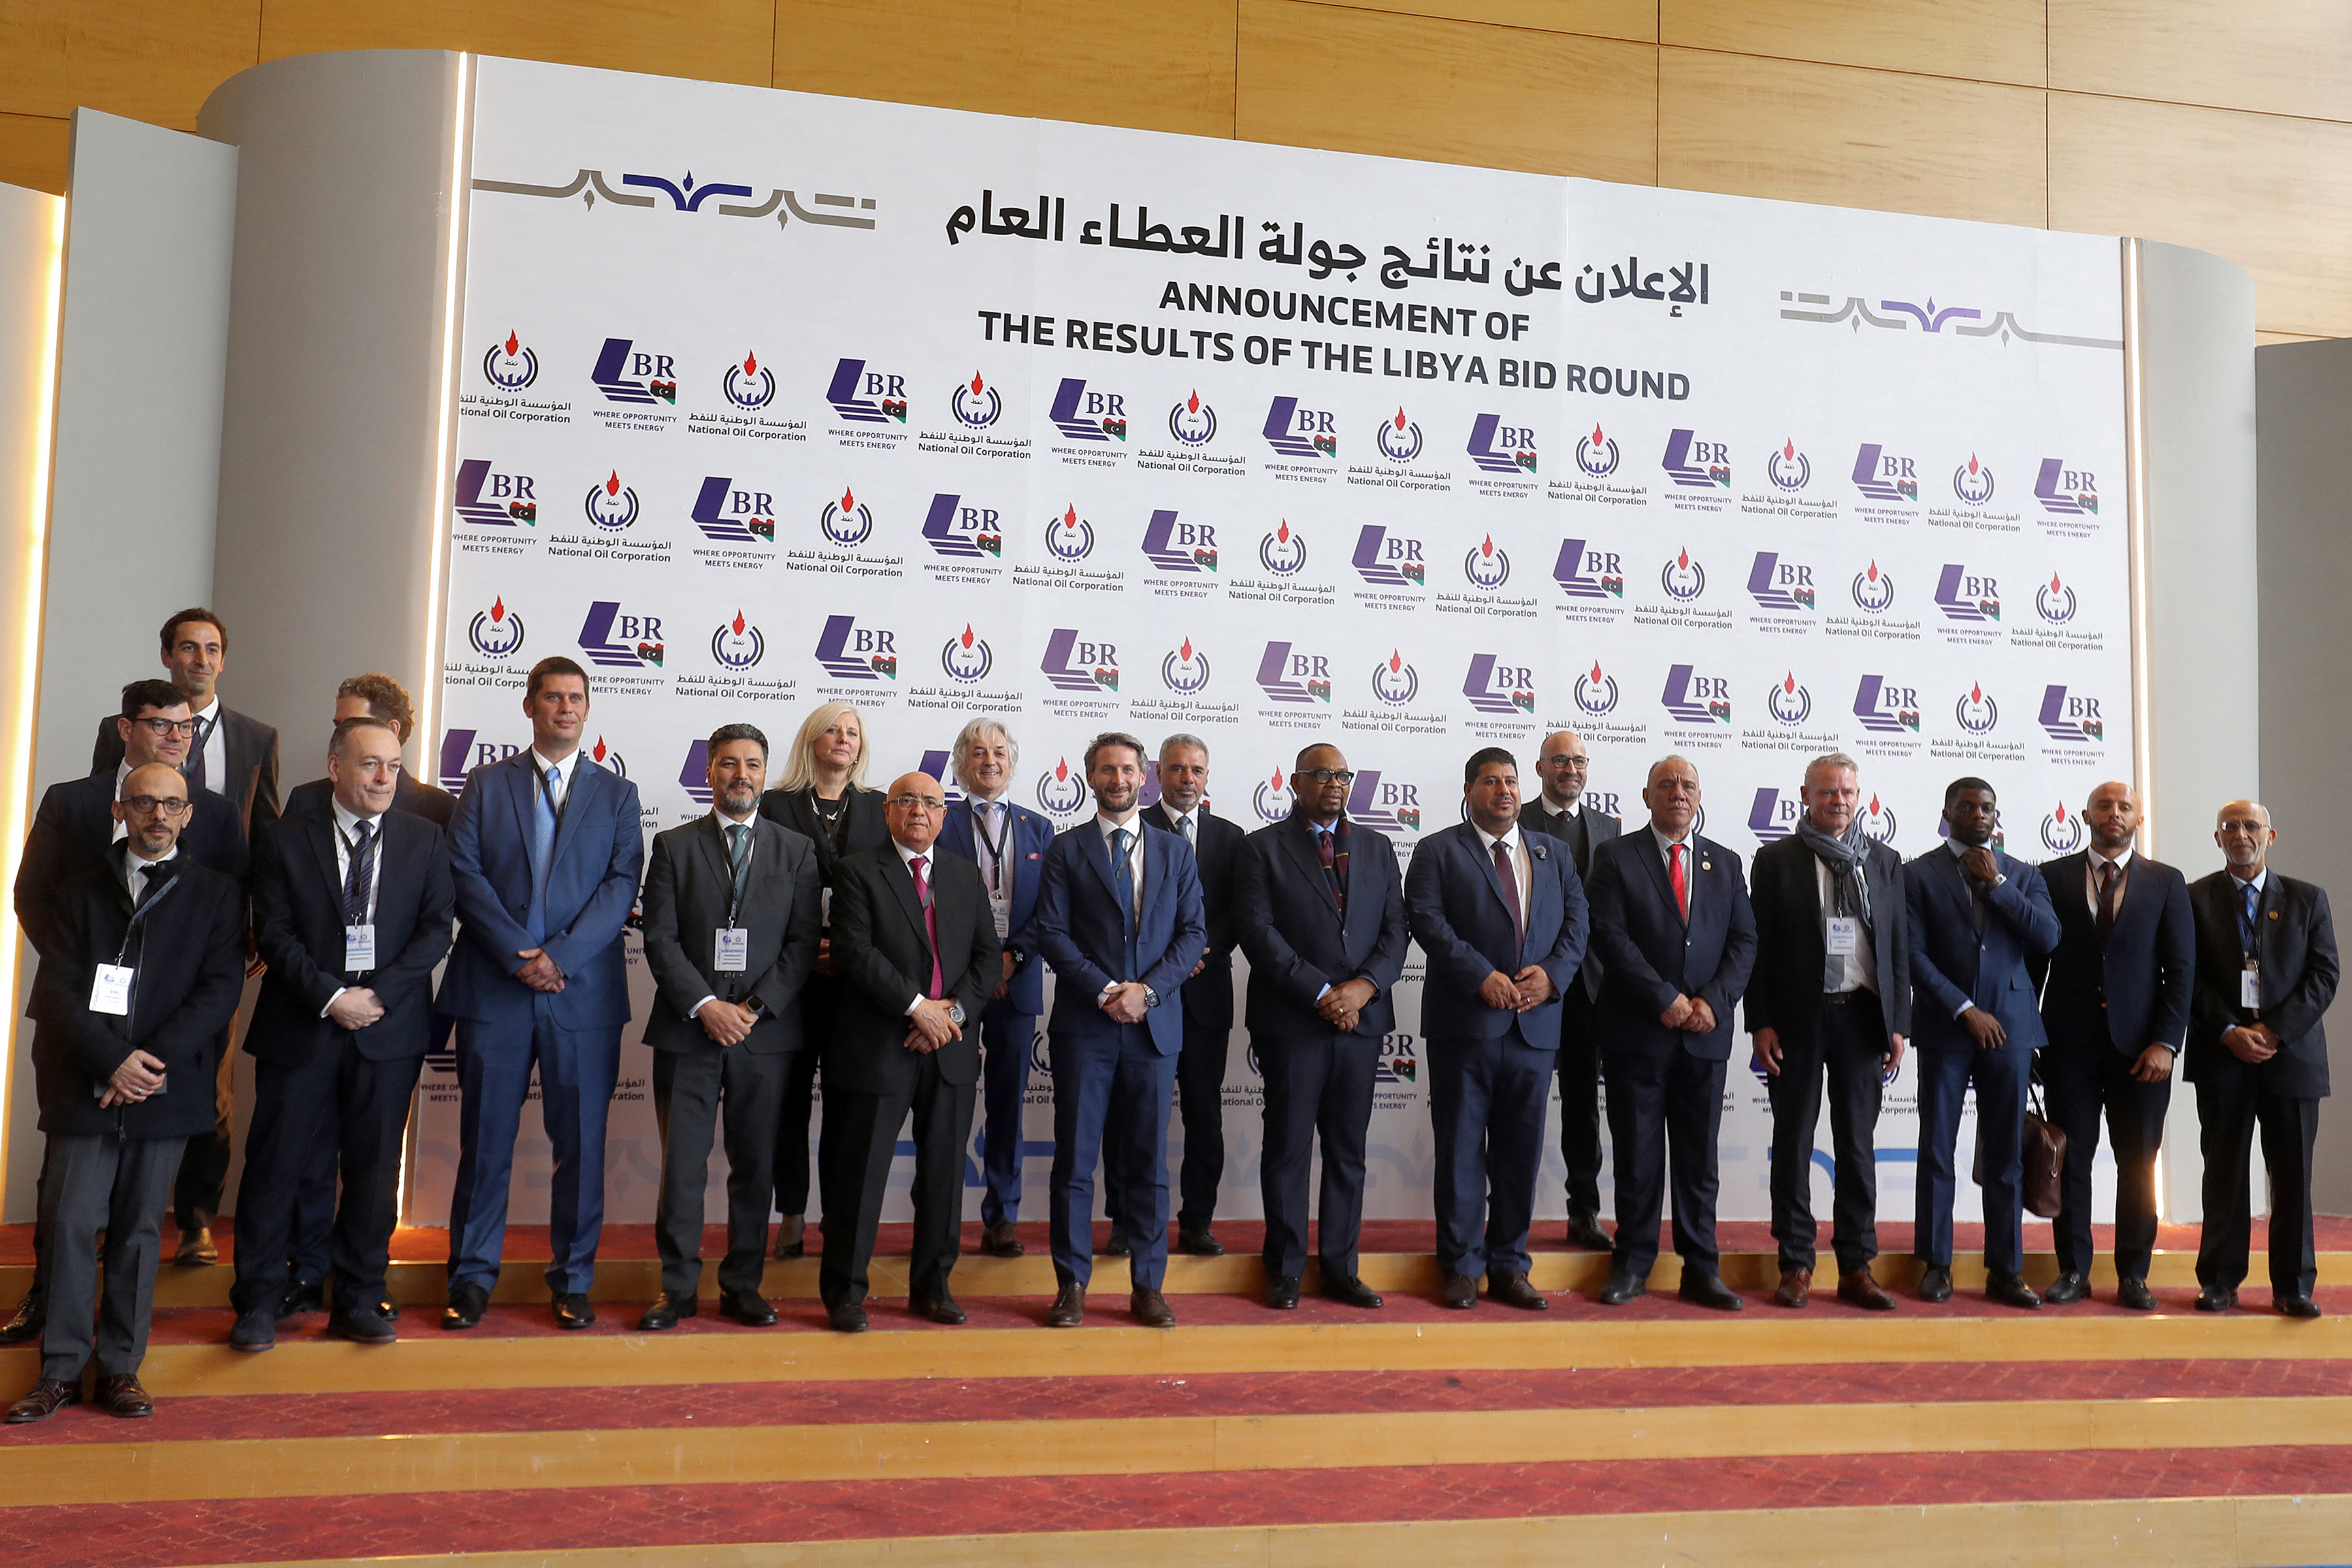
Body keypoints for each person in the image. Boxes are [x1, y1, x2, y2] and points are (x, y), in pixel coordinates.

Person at [1, 680, 248, 1345]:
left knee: (139, 1218)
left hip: (168, 1048)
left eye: (185, 727)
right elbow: (36, 902)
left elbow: (220, 952)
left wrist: (146, 1055)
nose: (175, 734)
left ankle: (118, 1360)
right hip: (80, 1038)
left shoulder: (218, 819)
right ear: (125, 730)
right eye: (160, 724)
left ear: (185, 814)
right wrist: (104, 1041)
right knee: (66, 1201)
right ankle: (50, 1322)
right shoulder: (73, 803)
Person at [225, 717, 455, 1351]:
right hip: (301, 1026)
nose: (384, 778)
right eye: (369, 765)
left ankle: (356, 1298)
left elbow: (436, 930)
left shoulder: (425, 839)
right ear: (334, 768)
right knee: (276, 1168)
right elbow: (273, 931)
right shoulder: (284, 839)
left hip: (389, 1027)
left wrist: (377, 996)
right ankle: (260, 1303)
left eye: (393, 766)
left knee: (375, 1172)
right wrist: (331, 996)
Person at [438, 656, 644, 1331]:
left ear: (588, 709)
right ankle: (470, 1279)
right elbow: (464, 873)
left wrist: (559, 957)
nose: (564, 708)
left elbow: (621, 888)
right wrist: (518, 955)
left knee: (581, 1147)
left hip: (581, 996)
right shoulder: (484, 783)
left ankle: (573, 1278)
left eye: (576, 698)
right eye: (552, 697)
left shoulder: (617, 794)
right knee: (486, 1141)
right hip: (494, 989)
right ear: (529, 706)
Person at [90, 611, 279, 1264]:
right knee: (108, 1062)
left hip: (212, 947)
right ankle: (104, 1213)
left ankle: (196, 1217)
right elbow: (99, 823)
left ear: (223, 659)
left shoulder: (256, 737)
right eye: (189, 648)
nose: (201, 659)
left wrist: (255, 931)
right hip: (122, 941)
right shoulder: (117, 734)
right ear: (168, 655)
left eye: (213, 649)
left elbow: (265, 842)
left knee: (209, 1083)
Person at [635, 724, 821, 1331]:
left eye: (752, 765)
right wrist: (706, 1005)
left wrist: (755, 1008)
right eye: (728, 764)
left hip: (764, 1037)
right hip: (689, 1033)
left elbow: (802, 944)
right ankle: (678, 1288)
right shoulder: (672, 845)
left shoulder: (796, 850)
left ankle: (743, 1285)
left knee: (756, 1167)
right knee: (683, 1167)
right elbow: (659, 939)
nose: (741, 774)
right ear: (709, 772)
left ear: (766, 774)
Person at [1032, 732, 1207, 1329]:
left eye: (1129, 770)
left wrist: (1147, 992)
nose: (1119, 779)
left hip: (1154, 1030)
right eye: (1107, 770)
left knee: (1148, 1166)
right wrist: (1109, 991)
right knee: (1076, 1163)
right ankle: (1071, 1285)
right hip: (1086, 1027)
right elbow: (1052, 933)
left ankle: (1148, 1287)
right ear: (1091, 778)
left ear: (1145, 777)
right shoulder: (1065, 849)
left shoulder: (1175, 851)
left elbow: (1192, 936)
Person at [1403, 747, 1589, 1311]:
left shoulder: (1552, 853)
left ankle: (1510, 1266)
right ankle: (1461, 1268)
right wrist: (1480, 976)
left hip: (1534, 1028)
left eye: (1510, 781)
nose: (1504, 791)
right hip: (1466, 1025)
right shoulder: (1438, 850)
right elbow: (1428, 922)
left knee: (1520, 1154)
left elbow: (1578, 924)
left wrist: (1552, 977)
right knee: (1461, 1151)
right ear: (1469, 789)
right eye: (1491, 782)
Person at [819, 772, 1002, 1331]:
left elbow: (986, 960)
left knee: (944, 1177)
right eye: (906, 802)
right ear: (887, 812)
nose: (919, 811)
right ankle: (846, 1294)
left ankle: (932, 1287)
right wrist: (918, 1007)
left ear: (945, 816)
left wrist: (952, 1016)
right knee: (860, 1175)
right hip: (878, 1045)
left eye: (930, 803)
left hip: (948, 1048)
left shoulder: (965, 875)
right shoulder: (855, 871)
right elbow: (854, 950)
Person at [1232, 743, 1408, 1310]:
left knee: (1348, 1151)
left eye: (1343, 775)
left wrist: (1361, 989)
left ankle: (1340, 1267)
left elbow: (1395, 932)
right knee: (1287, 1148)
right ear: (1296, 782)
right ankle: (1284, 1269)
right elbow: (1258, 934)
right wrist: (1322, 992)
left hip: (1361, 1022)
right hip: (1293, 1022)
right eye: (1322, 774)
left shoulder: (1379, 847)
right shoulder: (1261, 849)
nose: (1335, 783)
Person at [1585, 755, 1756, 1311]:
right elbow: (1608, 936)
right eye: (1666, 785)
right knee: (1637, 1158)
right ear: (1646, 795)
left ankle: (1701, 1269)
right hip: (1638, 1032)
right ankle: (1633, 1263)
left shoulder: (1726, 864)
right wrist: (1663, 998)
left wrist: (1714, 999)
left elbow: (1744, 942)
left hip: (1704, 1034)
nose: (1677, 793)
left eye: (1687, 785)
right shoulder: (1615, 856)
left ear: (1699, 796)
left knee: (1698, 1162)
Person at [1746, 753, 1908, 1311]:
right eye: (1826, 793)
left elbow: (1897, 949)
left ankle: (1857, 1267)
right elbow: (1757, 949)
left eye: (1846, 793)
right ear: (1806, 797)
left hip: (1864, 1019)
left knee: (1857, 1148)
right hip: (1797, 1020)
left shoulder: (1885, 862)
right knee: (1792, 1143)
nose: (1837, 801)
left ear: (1858, 797)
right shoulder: (1775, 861)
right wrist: (1760, 1021)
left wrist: (1899, 1024)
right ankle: (1795, 1263)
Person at [2032, 780, 2193, 1309]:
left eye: (2125, 806)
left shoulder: (2166, 883)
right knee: (2070, 1161)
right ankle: (2073, 1272)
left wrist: (2167, 1043)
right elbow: (2032, 964)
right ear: (2086, 815)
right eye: (2105, 805)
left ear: (2138, 819)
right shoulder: (2049, 877)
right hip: (2069, 1047)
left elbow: (2180, 971)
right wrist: (2028, 1038)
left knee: (2138, 1164)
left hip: (2141, 1052)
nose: (2115, 813)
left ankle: (2133, 1276)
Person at [1904, 777, 2060, 1309]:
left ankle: (2006, 1270)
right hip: (1947, 1026)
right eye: (1966, 806)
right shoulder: (1916, 873)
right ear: (1947, 812)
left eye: (1987, 806)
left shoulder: (2022, 873)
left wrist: (1997, 886)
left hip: (2013, 1029)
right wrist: (1965, 1010)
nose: (1978, 813)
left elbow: (2048, 937)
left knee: (2007, 1156)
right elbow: (1913, 956)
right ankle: (1937, 1264)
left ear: (1998, 813)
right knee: (1937, 1150)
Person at [2187, 801, 2338, 1318]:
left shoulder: (2306, 899)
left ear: (2270, 835)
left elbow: (2325, 976)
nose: (2240, 834)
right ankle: (2219, 1282)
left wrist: (2272, 1030)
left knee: (2292, 1176)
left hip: (2290, 1058)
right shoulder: (2193, 900)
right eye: (2230, 827)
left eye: (2250, 826)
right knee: (2224, 1173)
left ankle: (2293, 1287)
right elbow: (2186, 977)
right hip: (2222, 1056)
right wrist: (2229, 1031)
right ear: (2218, 838)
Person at [759, 701, 889, 1260]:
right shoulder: (773, 805)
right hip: (789, 978)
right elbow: (758, 890)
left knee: (848, 1102)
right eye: (832, 730)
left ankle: (840, 1214)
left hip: (858, 983)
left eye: (852, 732)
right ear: (811, 741)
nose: (842, 739)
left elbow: (893, 896)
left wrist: (848, 951)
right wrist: (806, 949)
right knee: (788, 1101)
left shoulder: (881, 807)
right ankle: (790, 1211)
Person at [936, 718, 1054, 1259]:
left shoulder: (1038, 828)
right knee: (948, 1103)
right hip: (954, 987)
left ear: (1012, 762)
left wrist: (1011, 960)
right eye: (978, 752)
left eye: (1000, 752)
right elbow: (930, 905)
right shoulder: (941, 820)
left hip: (1018, 982)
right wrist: (981, 971)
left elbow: (1049, 910)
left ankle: (1002, 1216)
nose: (990, 760)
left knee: (1007, 1105)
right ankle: (939, 1218)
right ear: (961, 763)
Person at [1125, 730, 1243, 1257]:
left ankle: (1197, 1222)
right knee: (1135, 1114)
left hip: (1205, 995)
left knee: (1204, 1115)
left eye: (1196, 770)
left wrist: (1201, 954)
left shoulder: (1231, 837)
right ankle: (1128, 1223)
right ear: (1156, 774)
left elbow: (1241, 912)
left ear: (1207, 775)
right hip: (1144, 993)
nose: (1187, 779)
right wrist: (1166, 967)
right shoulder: (1133, 826)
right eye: (1176, 769)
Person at [1517, 728, 1620, 1250]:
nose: (1571, 769)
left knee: (1583, 1106)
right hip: (1530, 985)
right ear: (1540, 769)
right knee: (1518, 1102)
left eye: (1579, 760)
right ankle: (1508, 1215)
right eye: (1560, 761)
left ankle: (1585, 1211)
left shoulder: (1610, 827)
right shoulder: (1516, 820)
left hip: (1593, 991)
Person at [282, 672, 457, 828]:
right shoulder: (305, 799)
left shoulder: (439, 808)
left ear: (393, 730)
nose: (341, 734)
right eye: (338, 726)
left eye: (353, 724)